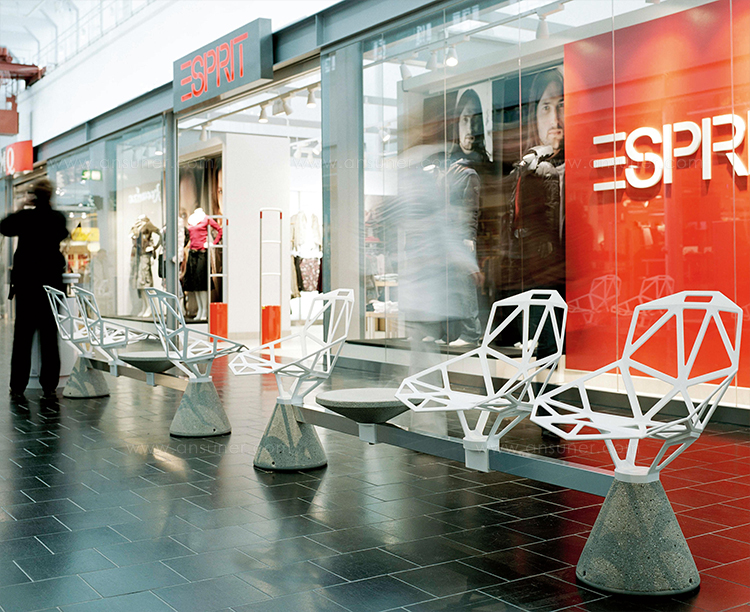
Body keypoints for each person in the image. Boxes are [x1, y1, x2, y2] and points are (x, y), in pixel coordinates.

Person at [508, 67, 565, 359]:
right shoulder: (529, 169)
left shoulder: (545, 169)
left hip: (543, 250)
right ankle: (535, 340)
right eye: (546, 107)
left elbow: (550, 209)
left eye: (562, 106)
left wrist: (546, 241)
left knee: (543, 296)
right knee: (532, 295)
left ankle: (546, 345)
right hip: (530, 248)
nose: (555, 119)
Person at [0, 179, 69, 401]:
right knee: (49, 338)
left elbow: (4, 227)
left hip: (27, 286)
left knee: (22, 338)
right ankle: (49, 387)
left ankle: (17, 386)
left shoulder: (25, 218)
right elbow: (63, 234)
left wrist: (21, 205)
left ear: (33, 196)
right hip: (50, 286)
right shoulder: (57, 218)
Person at [437, 88, 490, 347]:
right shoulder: (453, 170)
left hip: (461, 237)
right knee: (450, 284)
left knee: (465, 284)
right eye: (465, 119)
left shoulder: (471, 173)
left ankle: (471, 332)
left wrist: (468, 238)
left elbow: (472, 209)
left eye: (475, 120)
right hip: (449, 237)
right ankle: (453, 332)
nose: (470, 128)